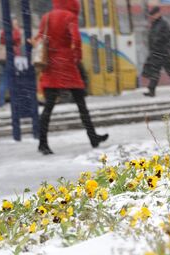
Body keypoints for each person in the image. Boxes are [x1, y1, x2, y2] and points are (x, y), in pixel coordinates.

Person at [33, 0, 108, 155]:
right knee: (81, 105)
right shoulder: (69, 16)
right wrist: (77, 56)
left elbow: (40, 38)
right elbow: (76, 39)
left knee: (48, 107)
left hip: (51, 65)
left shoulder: (46, 17)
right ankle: (92, 136)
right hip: (67, 65)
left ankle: (43, 143)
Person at [142, 6, 170, 97]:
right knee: (155, 71)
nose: (151, 17)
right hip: (156, 52)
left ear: (158, 14)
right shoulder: (154, 25)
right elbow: (151, 39)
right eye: (151, 15)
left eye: (153, 15)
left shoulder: (163, 24)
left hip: (164, 52)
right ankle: (151, 90)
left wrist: (159, 40)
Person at [0, 18, 22, 110]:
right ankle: (4, 103)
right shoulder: (15, 32)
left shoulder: (4, 32)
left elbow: (2, 41)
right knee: (12, 81)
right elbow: (18, 41)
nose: (17, 25)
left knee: (6, 80)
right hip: (12, 58)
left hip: (5, 58)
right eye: (15, 23)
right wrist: (16, 29)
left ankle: (1, 103)